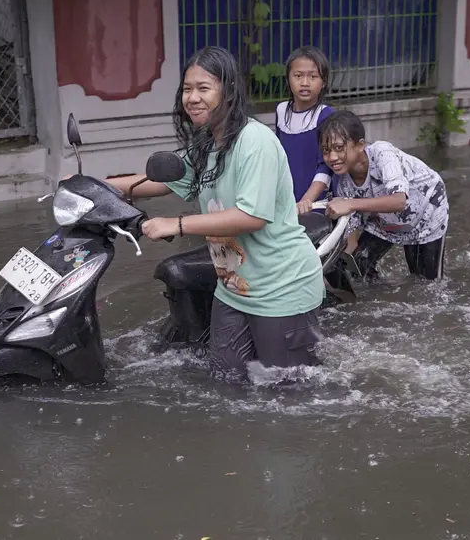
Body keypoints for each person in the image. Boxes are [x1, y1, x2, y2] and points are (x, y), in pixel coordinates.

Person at [103, 46, 326, 382]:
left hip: (282, 288)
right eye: (187, 89)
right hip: (234, 286)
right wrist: (100, 185)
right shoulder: (208, 143)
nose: (192, 98)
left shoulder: (255, 141)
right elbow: (163, 182)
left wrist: (176, 224)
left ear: (229, 92)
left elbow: (252, 216)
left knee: (289, 394)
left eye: (204, 89)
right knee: (225, 382)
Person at [319, 109, 449, 281]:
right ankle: (383, 300)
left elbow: (398, 201)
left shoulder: (383, 154)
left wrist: (350, 203)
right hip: (384, 218)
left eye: (339, 148)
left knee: (425, 284)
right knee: (358, 267)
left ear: (360, 145)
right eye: (326, 151)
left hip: (426, 213)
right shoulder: (343, 181)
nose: (332, 157)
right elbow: (352, 232)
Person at [274, 46, 336, 214]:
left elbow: (327, 165)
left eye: (313, 76)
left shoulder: (325, 115)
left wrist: (307, 199)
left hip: (315, 201)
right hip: (286, 198)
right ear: (288, 79)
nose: (305, 83)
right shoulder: (281, 110)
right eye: (298, 76)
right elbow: (278, 157)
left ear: (323, 82)